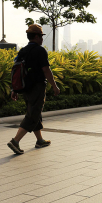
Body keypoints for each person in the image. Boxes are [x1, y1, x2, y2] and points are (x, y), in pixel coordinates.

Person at [7, 24, 60, 155]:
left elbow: (16, 71)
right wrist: (54, 86)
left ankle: (40, 140)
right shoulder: (40, 50)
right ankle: (15, 141)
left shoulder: (23, 50)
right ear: (36, 36)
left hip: (25, 88)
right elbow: (46, 70)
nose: (42, 39)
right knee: (32, 114)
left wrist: (14, 89)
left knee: (35, 112)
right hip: (37, 86)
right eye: (41, 36)